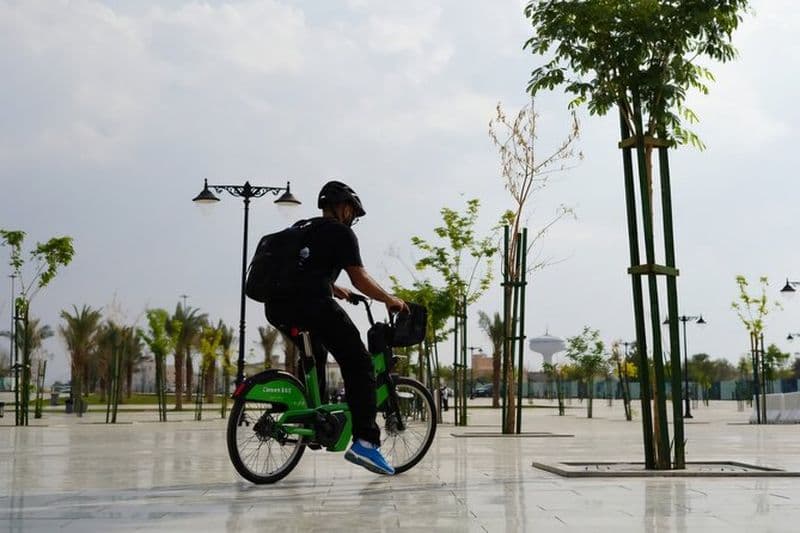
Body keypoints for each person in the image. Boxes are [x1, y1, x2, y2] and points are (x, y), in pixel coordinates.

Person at [264, 180, 408, 476]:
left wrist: (332, 286)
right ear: (343, 207)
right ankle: (366, 443)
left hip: (278, 307)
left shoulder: (303, 228)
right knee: (359, 363)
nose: (352, 217)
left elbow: (302, 271)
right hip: (313, 306)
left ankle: (313, 421)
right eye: (352, 211)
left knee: (314, 358)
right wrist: (389, 299)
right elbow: (360, 278)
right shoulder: (342, 233)